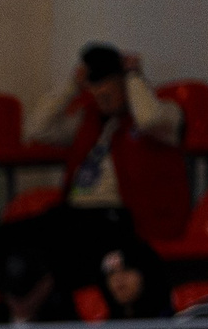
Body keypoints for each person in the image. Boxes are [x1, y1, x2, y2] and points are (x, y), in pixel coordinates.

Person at [19, 42, 187, 288]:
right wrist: (71, 85)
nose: (102, 95)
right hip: (76, 213)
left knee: (67, 241)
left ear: (126, 84)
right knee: (12, 236)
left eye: (110, 87)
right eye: (96, 88)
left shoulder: (166, 116)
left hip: (119, 216)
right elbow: (36, 129)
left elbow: (148, 119)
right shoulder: (87, 122)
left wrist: (133, 76)